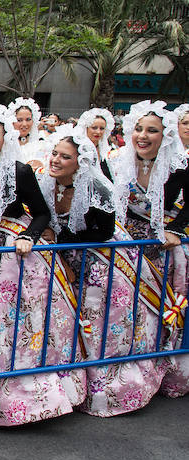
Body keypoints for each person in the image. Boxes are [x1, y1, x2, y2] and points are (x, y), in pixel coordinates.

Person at [0, 103, 86, 426]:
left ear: (5, 139)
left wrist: (28, 236)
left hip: (16, 258)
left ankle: (20, 396)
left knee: (10, 324)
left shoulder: (20, 171)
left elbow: (42, 213)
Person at [37, 125, 164, 417]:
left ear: (80, 163)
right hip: (65, 259)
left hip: (101, 263)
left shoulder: (97, 188)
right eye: (54, 153)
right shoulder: (46, 183)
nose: (55, 160)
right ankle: (71, 385)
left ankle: (107, 387)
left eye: (64, 157)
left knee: (98, 326)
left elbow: (102, 233)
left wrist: (59, 240)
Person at [109, 100, 189, 398]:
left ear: (165, 135)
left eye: (151, 130)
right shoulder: (117, 160)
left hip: (161, 246)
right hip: (125, 242)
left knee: (157, 312)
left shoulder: (179, 165)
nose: (142, 136)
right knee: (126, 311)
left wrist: (176, 229)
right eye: (138, 129)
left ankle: (159, 366)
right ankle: (125, 368)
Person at [77, 108, 115, 179]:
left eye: (102, 128)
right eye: (94, 128)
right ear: (86, 128)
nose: (98, 132)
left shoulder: (108, 150)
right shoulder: (78, 149)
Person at [9, 97, 46, 169]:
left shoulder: (41, 143)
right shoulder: (7, 144)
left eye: (28, 119)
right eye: (19, 120)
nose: (24, 124)